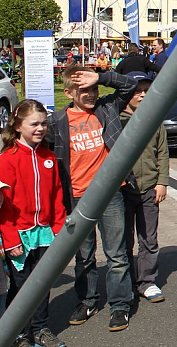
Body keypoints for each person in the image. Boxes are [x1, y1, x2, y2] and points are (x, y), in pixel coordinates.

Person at [47, 66, 137, 332]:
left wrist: (101, 77)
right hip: (76, 197)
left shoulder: (107, 108)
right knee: (84, 256)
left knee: (116, 254)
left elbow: (129, 86)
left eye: (93, 88)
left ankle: (120, 305)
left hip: (110, 193)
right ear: (68, 93)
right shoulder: (58, 121)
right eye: (82, 90)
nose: (90, 94)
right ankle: (87, 300)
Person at [0, 100, 67, 347]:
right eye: (34, 124)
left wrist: (59, 228)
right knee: (22, 287)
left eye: (44, 123)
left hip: (45, 232)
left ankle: (40, 329)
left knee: (42, 283)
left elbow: (57, 195)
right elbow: (3, 207)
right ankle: (17, 332)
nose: (40, 128)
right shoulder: (7, 160)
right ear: (18, 126)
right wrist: (10, 239)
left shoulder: (48, 157)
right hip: (19, 235)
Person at [121, 72, 169, 304]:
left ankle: (147, 281)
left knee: (149, 237)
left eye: (146, 91)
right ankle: (127, 280)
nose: (142, 94)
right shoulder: (115, 119)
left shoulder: (154, 118)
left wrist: (162, 181)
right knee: (124, 239)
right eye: (137, 90)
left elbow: (162, 152)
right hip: (122, 191)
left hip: (149, 187)